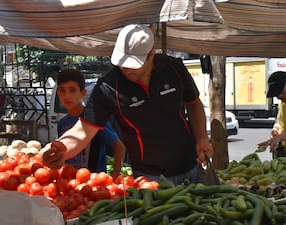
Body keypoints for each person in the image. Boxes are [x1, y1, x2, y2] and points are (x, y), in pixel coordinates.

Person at [40, 24, 213, 185]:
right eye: (121, 62)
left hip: (191, 166)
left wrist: (202, 138)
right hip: (149, 177)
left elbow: (193, 103)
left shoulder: (173, 68)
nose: (125, 68)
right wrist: (63, 151)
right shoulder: (108, 87)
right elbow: (83, 130)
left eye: (132, 64)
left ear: (151, 54)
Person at [55, 69, 125, 175]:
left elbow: (119, 147)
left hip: (94, 184)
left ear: (83, 93)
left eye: (72, 90)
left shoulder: (93, 120)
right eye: (62, 90)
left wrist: (115, 175)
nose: (67, 95)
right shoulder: (62, 123)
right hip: (70, 183)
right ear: (58, 93)